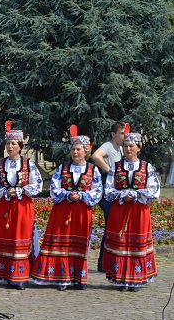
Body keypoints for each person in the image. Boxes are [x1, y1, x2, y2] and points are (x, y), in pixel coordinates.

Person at [32, 135, 102, 290]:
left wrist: (82, 195)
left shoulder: (93, 170)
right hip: (64, 209)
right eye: (73, 149)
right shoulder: (63, 168)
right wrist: (67, 194)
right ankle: (63, 277)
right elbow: (54, 187)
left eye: (78, 149)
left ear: (86, 151)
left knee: (79, 244)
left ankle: (78, 278)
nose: (75, 152)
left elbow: (98, 191)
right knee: (62, 243)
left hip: (82, 211)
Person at [0, 128, 43, 289]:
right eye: (8, 143)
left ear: (20, 146)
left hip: (22, 206)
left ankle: (19, 276)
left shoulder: (28, 164)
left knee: (20, 238)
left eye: (13, 143)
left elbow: (37, 184)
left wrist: (20, 190)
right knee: (4, 236)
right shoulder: (0, 164)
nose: (9, 147)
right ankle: (2, 274)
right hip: (4, 205)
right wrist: (4, 191)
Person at [102, 131, 159, 291]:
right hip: (119, 209)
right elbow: (108, 190)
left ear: (138, 148)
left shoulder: (146, 167)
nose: (128, 149)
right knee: (120, 242)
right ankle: (120, 277)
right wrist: (122, 194)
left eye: (131, 146)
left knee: (136, 243)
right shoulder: (116, 166)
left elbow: (154, 190)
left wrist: (135, 194)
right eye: (126, 146)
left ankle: (136, 278)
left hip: (138, 210)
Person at [90, 121, 126, 272]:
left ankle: (106, 261)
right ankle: (103, 262)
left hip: (115, 189)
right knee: (111, 223)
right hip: (106, 190)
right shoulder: (109, 146)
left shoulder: (121, 149)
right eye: (122, 133)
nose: (125, 136)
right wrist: (110, 171)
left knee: (113, 225)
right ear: (113, 134)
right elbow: (96, 156)